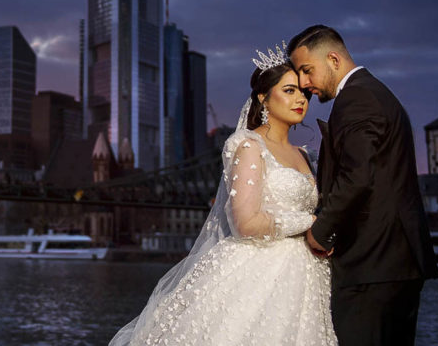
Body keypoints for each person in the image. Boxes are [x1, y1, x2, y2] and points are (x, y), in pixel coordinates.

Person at [109, 44, 337, 346]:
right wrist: (310, 222)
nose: (300, 100)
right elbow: (245, 223)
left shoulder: (305, 155)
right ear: (263, 97)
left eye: (304, 94)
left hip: (307, 275)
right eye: (289, 90)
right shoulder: (249, 146)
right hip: (259, 275)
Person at [287, 25, 438, 346]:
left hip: (373, 264)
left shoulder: (357, 99)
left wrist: (320, 230)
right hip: (392, 264)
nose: (304, 83)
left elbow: (357, 177)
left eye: (307, 70)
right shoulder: (372, 92)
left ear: (333, 59)